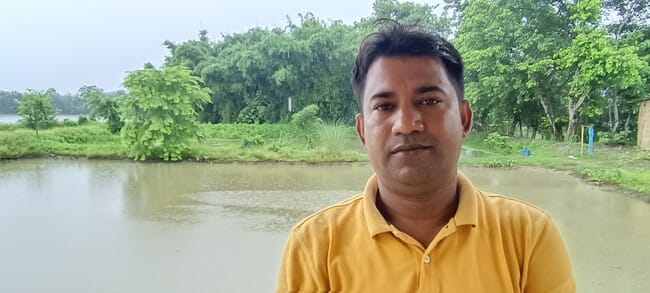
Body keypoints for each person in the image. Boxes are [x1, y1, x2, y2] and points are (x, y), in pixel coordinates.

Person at [275, 23, 575, 293]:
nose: (406, 124)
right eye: (384, 106)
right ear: (362, 130)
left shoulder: (528, 236)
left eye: (429, 101)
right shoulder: (314, 246)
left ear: (464, 118)